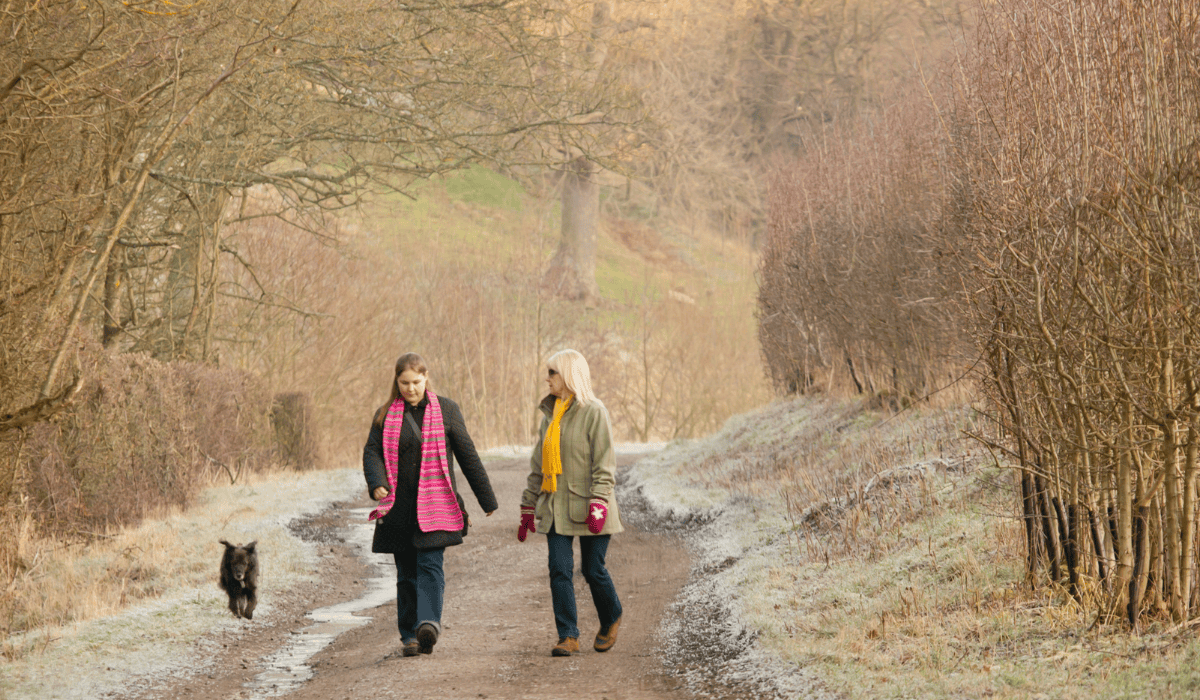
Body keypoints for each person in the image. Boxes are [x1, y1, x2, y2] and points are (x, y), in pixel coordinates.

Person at [363, 352, 498, 657]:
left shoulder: (447, 410)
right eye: (404, 383)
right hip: (398, 507)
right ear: (396, 382)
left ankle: (428, 624)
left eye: (415, 381)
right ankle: (409, 635)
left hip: (437, 504)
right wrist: (377, 482)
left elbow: (468, 455)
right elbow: (372, 452)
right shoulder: (384, 415)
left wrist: (485, 498)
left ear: (426, 377)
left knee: (430, 565)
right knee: (406, 573)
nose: (410, 388)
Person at [517, 348, 624, 657]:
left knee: (593, 570)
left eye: (553, 372)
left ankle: (611, 615)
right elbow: (538, 466)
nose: (547, 378)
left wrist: (600, 502)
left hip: (592, 505)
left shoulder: (594, 411)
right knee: (559, 570)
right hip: (556, 508)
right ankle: (568, 635)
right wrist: (528, 505)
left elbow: (605, 463)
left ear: (568, 375)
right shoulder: (550, 416)